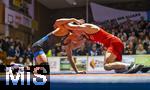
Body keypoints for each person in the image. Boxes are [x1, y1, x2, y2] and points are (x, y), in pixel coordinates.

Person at [62, 18, 144, 73]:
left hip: (114, 42)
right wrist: (67, 44)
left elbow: (70, 26)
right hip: (114, 44)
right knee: (118, 69)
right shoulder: (84, 36)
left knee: (106, 66)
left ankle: (131, 65)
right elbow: (71, 51)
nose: (75, 34)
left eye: (74, 31)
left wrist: (64, 24)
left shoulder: (88, 27)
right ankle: (143, 68)